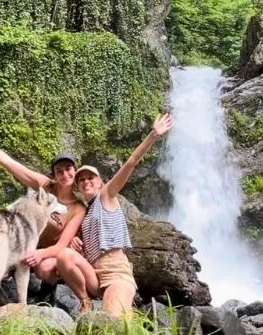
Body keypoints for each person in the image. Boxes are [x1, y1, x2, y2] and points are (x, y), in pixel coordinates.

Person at [55, 112, 174, 317]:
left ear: (101, 182)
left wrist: (153, 135)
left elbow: (130, 163)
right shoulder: (85, 210)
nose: (85, 181)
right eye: (81, 180)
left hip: (116, 270)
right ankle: (86, 301)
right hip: (93, 274)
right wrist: (74, 238)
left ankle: (127, 308)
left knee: (112, 322)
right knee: (64, 255)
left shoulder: (107, 195)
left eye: (90, 177)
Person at [0, 127, 87, 285]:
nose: (65, 175)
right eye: (59, 171)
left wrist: (39, 254)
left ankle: (48, 290)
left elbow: (61, 245)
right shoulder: (45, 186)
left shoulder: (78, 208)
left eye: (68, 169)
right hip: (26, 243)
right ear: (54, 175)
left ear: (75, 170)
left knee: (43, 268)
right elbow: (10, 163)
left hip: (50, 254)